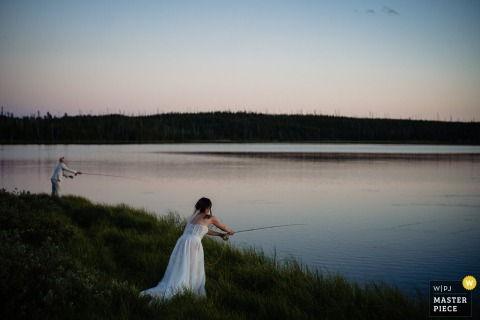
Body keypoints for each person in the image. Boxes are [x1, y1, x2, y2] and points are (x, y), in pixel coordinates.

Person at [140, 197, 234, 300]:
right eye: (209, 207)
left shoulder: (194, 216)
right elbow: (223, 227)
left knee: (182, 263)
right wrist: (229, 231)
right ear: (208, 207)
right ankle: (188, 286)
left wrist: (220, 235)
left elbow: (204, 230)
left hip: (183, 240)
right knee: (193, 264)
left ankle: (181, 281)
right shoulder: (210, 218)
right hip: (193, 243)